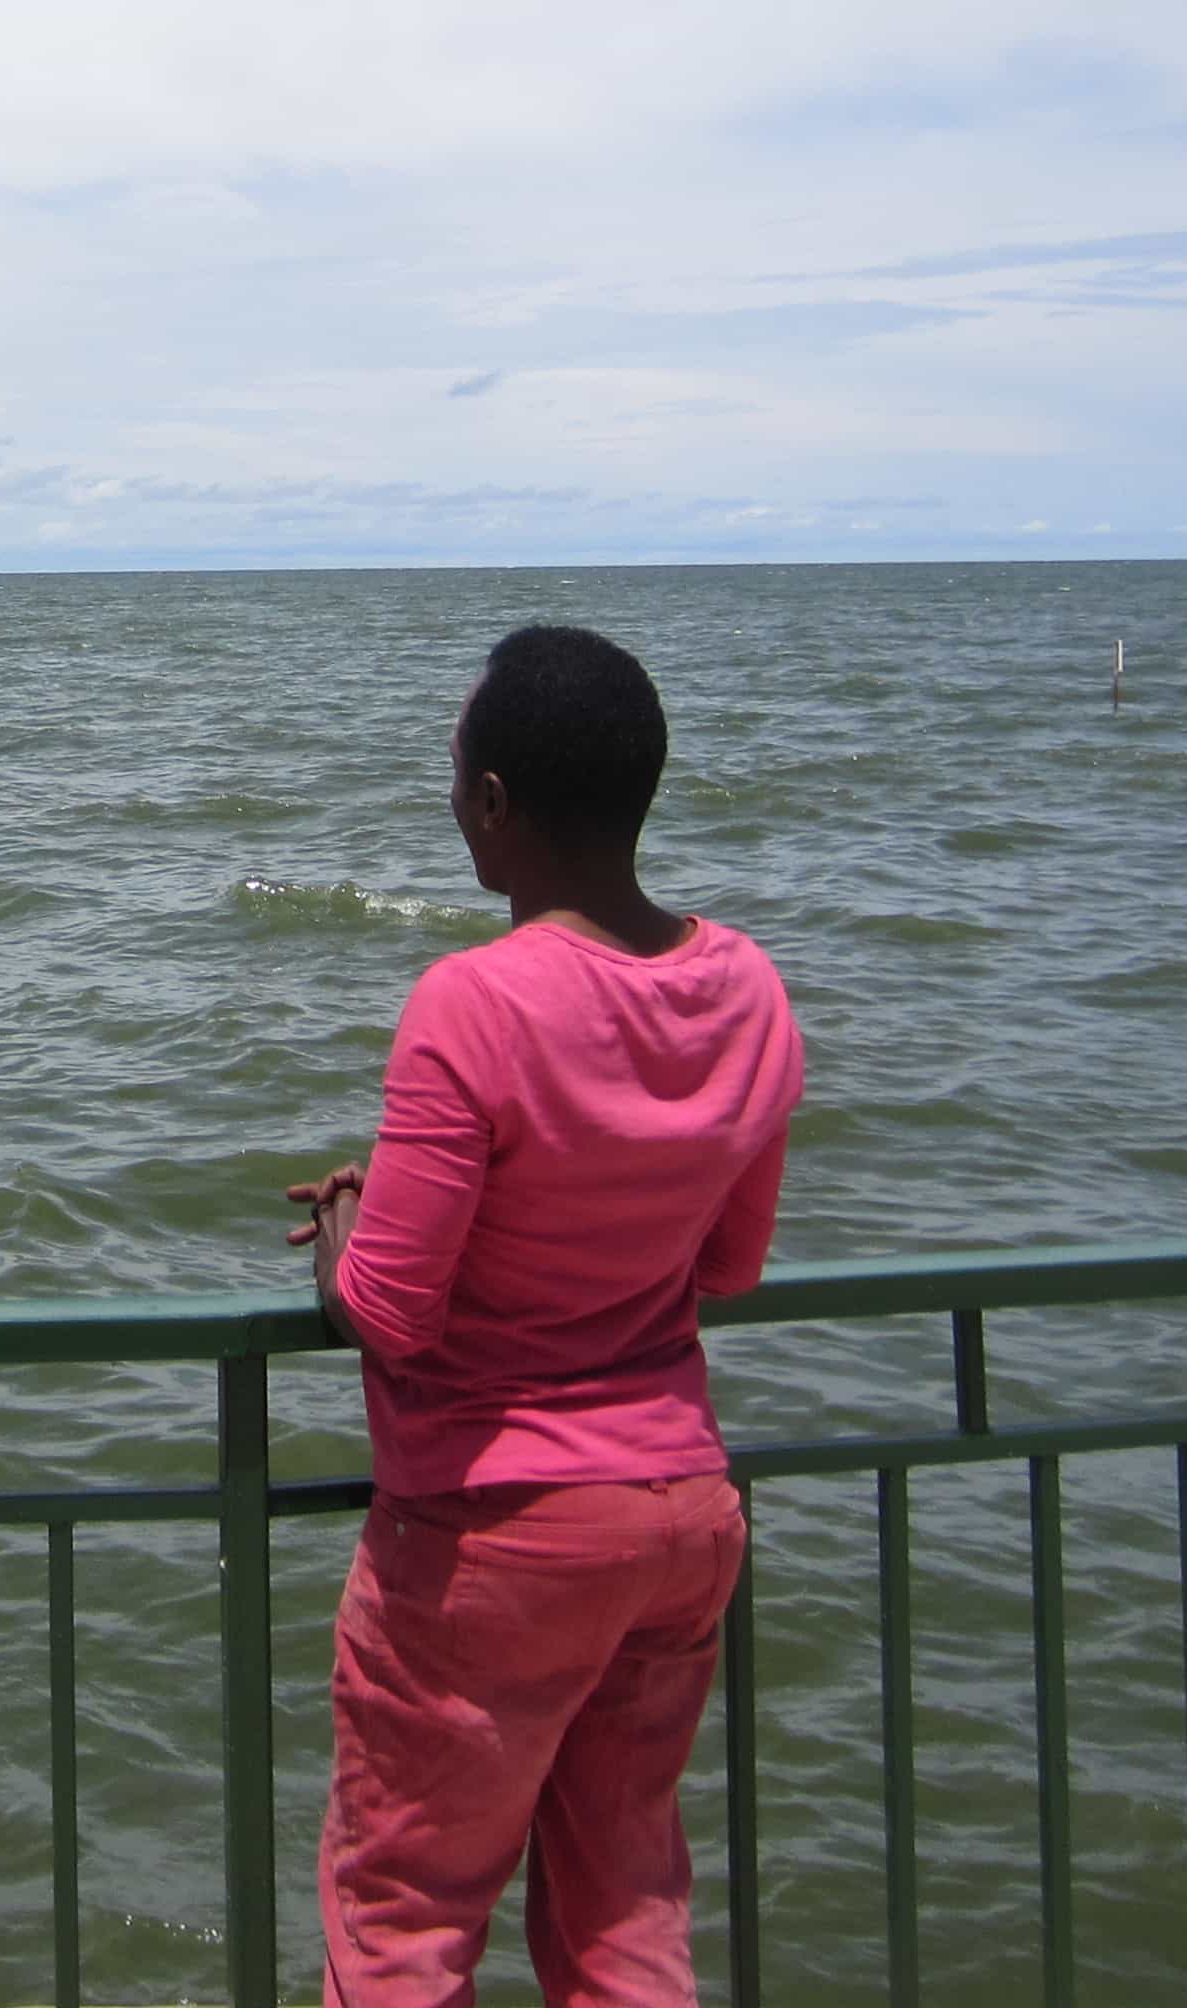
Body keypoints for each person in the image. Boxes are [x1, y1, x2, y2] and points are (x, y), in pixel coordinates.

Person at [284, 624, 803, 2008]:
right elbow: (729, 1267)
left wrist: (345, 1226)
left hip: (493, 1541)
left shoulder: (472, 1003)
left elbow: (388, 1313)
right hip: (678, 1515)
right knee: (626, 1911)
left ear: (497, 805)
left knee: (404, 1919)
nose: (454, 806)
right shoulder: (749, 989)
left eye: (460, 782)